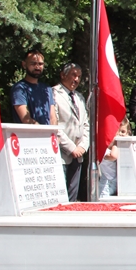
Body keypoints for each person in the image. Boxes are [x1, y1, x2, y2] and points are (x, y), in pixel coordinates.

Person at [52, 62, 90, 201]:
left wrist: (82, 146)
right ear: (63, 75)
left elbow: (86, 124)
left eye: (79, 76)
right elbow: (54, 125)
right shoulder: (54, 93)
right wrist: (71, 148)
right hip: (62, 153)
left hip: (78, 154)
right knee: (61, 197)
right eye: (73, 75)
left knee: (72, 196)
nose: (76, 80)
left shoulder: (79, 97)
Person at [11, 49, 56, 126]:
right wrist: (44, 132)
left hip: (48, 136)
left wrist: (54, 134)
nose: (37, 67)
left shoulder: (47, 89)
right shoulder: (19, 89)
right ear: (24, 65)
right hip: (28, 136)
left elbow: (53, 118)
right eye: (33, 63)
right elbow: (26, 119)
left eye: (40, 64)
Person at [98, 118, 131, 197]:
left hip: (120, 183)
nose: (120, 134)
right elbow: (113, 156)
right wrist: (116, 143)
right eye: (117, 132)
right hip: (106, 185)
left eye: (123, 132)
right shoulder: (104, 150)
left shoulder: (123, 149)